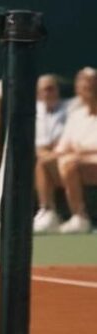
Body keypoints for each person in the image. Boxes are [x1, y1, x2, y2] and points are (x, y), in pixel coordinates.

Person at [34, 72, 97, 234]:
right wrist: (50, 155)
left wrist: (81, 152)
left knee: (70, 164)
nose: (88, 87)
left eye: (91, 84)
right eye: (83, 84)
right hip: (74, 161)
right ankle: (48, 212)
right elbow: (62, 148)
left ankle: (80, 217)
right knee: (43, 162)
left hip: (88, 161)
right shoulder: (76, 115)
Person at [36, 74, 67, 153]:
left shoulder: (70, 107)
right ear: (38, 93)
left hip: (59, 153)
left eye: (51, 89)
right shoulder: (31, 111)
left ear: (58, 90)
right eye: (43, 90)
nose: (47, 93)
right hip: (34, 153)